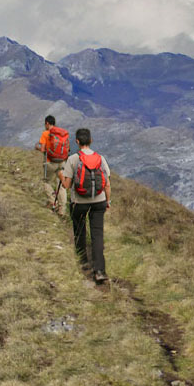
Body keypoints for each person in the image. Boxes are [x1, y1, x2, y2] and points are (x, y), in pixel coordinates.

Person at [59, 128, 111, 284]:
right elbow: (107, 184)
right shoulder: (100, 158)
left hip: (79, 203)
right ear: (91, 140)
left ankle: (83, 262)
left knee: (79, 230)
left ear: (77, 141)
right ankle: (100, 271)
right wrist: (107, 201)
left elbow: (67, 186)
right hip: (99, 201)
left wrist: (61, 175)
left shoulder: (73, 159)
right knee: (97, 235)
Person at [34, 115, 67, 217]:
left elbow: (43, 149)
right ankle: (62, 210)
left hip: (50, 162)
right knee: (61, 184)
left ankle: (53, 201)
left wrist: (37, 147)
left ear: (47, 123)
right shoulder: (61, 134)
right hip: (62, 161)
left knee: (46, 182)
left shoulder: (45, 133)